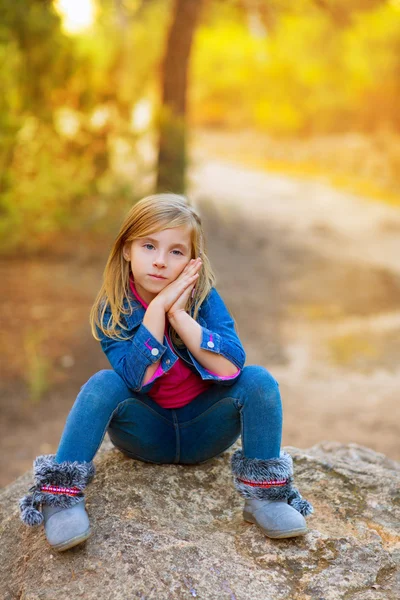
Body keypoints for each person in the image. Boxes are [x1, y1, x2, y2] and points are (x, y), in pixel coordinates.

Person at [19, 193, 313, 551]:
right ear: (127, 249)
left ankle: (266, 498)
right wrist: (157, 308)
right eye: (148, 246)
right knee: (103, 384)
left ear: (193, 261)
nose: (160, 262)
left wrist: (178, 314)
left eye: (176, 252)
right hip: (147, 434)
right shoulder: (112, 310)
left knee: (260, 381)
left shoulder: (204, 299)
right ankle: (60, 498)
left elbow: (231, 365)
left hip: (205, 432)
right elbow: (136, 379)